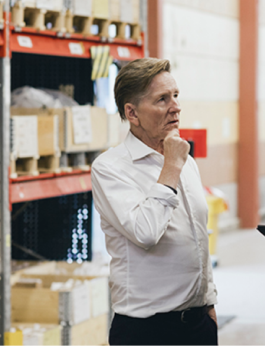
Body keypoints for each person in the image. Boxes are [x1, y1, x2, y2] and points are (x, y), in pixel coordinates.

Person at [91, 58, 218, 346]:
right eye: (162, 99)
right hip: (146, 330)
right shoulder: (110, 168)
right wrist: (171, 167)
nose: (176, 107)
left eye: (175, 96)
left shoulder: (185, 161)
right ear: (132, 113)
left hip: (197, 323)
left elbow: (198, 237)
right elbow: (146, 232)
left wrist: (208, 301)